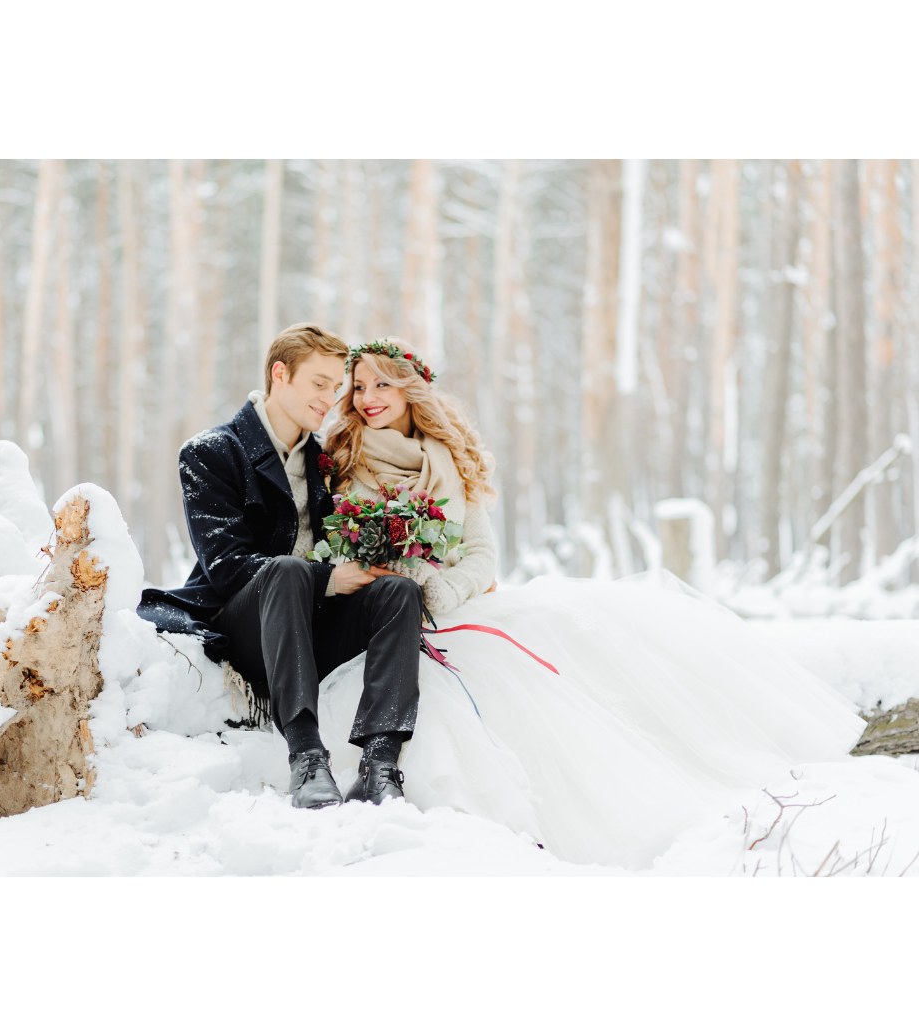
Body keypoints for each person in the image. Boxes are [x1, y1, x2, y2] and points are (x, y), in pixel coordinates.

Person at [316, 339, 866, 867]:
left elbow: (482, 553)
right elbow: (334, 550)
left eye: (382, 384)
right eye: (358, 386)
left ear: (412, 390)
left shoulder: (448, 459)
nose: (367, 398)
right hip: (385, 616)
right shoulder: (342, 460)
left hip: (454, 605)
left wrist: (444, 588)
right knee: (483, 681)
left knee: (558, 636)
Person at [140, 324, 424, 809]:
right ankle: (307, 757)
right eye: (319, 383)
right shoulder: (211, 452)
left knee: (399, 592)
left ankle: (381, 763)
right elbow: (227, 567)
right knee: (287, 570)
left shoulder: (325, 462)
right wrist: (327, 578)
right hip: (246, 632)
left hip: (311, 628)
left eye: (336, 388)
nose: (330, 399)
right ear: (280, 374)